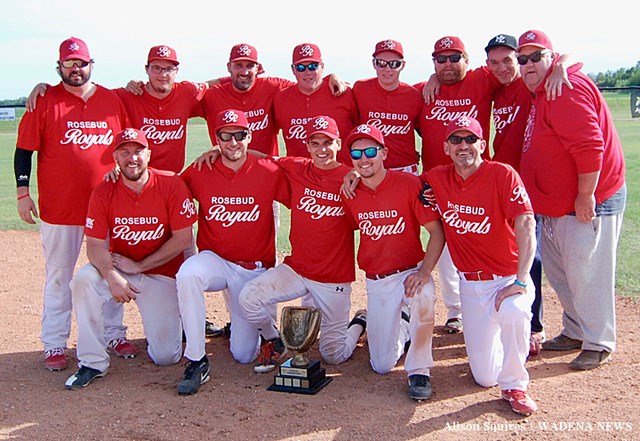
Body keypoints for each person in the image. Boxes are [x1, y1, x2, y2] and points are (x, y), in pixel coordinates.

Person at [14, 36, 135, 371]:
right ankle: (54, 342)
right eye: (69, 63)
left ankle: (113, 333)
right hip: (59, 208)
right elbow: (23, 151)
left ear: (90, 64)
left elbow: (127, 147)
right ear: (59, 66)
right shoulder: (45, 100)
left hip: (107, 207)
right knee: (59, 276)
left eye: (81, 62)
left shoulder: (111, 100)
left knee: (111, 271)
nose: (76, 68)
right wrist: (23, 193)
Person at [517, 30, 626, 370]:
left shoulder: (564, 88)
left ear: (552, 57)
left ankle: (598, 341)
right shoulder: (546, 87)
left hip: (588, 200)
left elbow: (590, 146)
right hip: (555, 207)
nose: (529, 64)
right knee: (562, 272)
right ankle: (577, 330)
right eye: (524, 59)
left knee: (586, 273)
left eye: (537, 57)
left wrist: (584, 194)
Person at [420, 115, 538, 415]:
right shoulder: (436, 178)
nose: (464, 146)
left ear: (481, 144)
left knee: (513, 311)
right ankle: (516, 344)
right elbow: (402, 185)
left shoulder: (502, 174)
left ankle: (515, 384)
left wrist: (521, 281)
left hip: (507, 277)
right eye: (456, 140)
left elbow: (525, 224)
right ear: (446, 147)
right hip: (471, 286)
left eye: (470, 139)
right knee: (484, 377)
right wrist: (354, 174)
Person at [65, 128, 197, 389]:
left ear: (148, 154)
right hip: (121, 270)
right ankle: (92, 361)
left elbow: (183, 239)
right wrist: (112, 277)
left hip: (160, 274)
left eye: (138, 151)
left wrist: (140, 266)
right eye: (125, 152)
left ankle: (174, 321)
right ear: (115, 157)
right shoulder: (104, 191)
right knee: (84, 280)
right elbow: (94, 246)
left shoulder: (170, 183)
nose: (132, 158)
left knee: (166, 357)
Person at [175, 109, 290, 395]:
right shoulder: (201, 169)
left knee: (243, 354)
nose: (233, 142)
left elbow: (302, 197)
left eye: (239, 134)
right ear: (216, 139)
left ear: (249, 136)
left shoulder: (267, 170)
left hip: (253, 269)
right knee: (188, 273)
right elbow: (167, 189)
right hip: (216, 261)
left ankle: (269, 335)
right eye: (226, 135)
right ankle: (196, 358)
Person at [238, 115, 364, 374]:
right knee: (249, 297)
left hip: (333, 277)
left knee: (334, 355)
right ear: (307, 146)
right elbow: (262, 156)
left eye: (328, 142)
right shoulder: (297, 167)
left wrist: (357, 172)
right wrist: (222, 150)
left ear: (338, 144)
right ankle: (274, 339)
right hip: (298, 269)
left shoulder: (351, 179)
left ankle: (361, 322)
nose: (322, 149)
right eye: (315, 143)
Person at [342, 124, 445, 401]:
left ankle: (420, 370)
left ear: (384, 152)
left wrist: (424, 272)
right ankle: (392, 320)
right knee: (382, 365)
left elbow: (437, 232)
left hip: (409, 273)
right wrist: (350, 177)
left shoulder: (409, 184)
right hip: (377, 280)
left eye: (371, 151)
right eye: (356, 153)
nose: (364, 158)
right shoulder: (351, 193)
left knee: (424, 295)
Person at [415, 36, 502, 334]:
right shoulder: (422, 92)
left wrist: (562, 65)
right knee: (447, 245)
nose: (447, 64)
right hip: (438, 181)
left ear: (467, 57)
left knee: (479, 239)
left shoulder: (481, 79)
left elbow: (512, 65)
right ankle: (456, 310)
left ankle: (487, 305)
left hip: (478, 178)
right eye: (440, 59)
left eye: (454, 57)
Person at [273, 43, 358, 164]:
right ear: (293, 70)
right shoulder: (281, 98)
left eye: (313, 66)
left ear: (322, 67)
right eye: (301, 67)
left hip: (343, 176)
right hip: (300, 177)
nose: (307, 72)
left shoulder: (343, 92)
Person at [353, 39, 423, 174]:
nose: (387, 69)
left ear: (402, 65)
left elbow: (423, 129)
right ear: (374, 63)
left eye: (394, 64)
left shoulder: (413, 95)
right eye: (381, 63)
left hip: (405, 168)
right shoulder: (360, 89)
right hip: (370, 168)